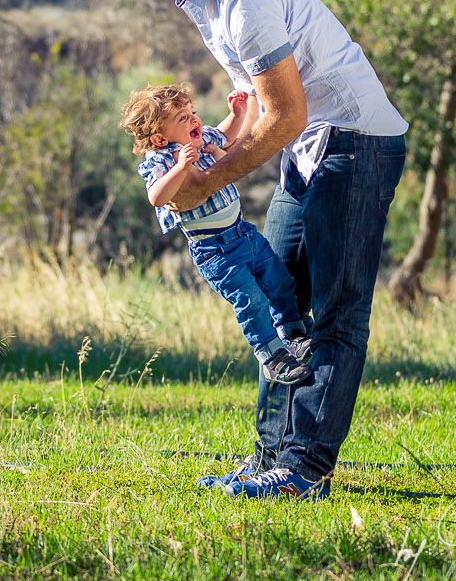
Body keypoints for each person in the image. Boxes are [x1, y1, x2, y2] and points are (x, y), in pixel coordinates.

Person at [133, 0, 408, 501]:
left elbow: (285, 115)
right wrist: (211, 154)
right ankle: (268, 461)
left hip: (356, 142)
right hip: (308, 148)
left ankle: (304, 471)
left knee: (337, 312)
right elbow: (264, 115)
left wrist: (209, 177)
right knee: (276, 298)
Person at [120, 82, 312, 385]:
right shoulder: (162, 160)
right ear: (159, 137)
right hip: (215, 251)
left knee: (279, 280)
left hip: (243, 232)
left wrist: (236, 113)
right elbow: (157, 197)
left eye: (192, 112)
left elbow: (224, 135)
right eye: (182, 119)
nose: (194, 120)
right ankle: (272, 356)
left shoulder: (202, 138)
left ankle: (293, 334)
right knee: (250, 299)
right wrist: (180, 168)